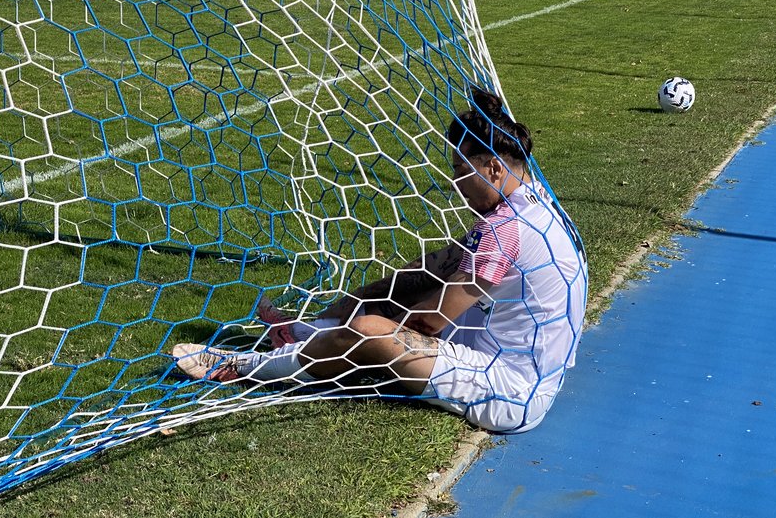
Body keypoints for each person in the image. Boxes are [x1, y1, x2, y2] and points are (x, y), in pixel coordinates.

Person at [173, 89, 589, 434]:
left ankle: (242, 366)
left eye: (461, 169)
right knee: (387, 301)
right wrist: (351, 303)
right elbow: (437, 266)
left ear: (494, 168)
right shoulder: (533, 202)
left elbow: (429, 323)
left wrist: (363, 328)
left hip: (510, 390)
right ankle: (305, 332)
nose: (454, 181)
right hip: (500, 345)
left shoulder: (505, 227)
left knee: (373, 330)